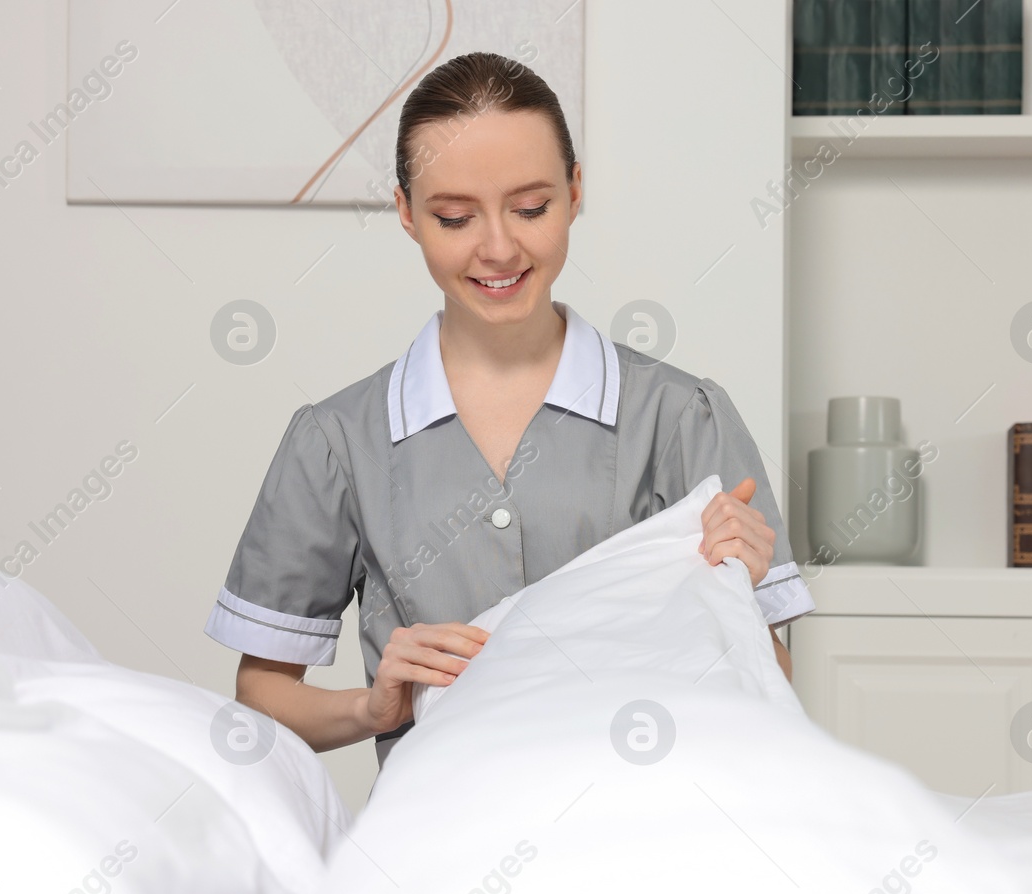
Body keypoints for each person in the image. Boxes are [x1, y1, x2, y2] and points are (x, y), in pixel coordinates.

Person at [204, 52, 815, 768]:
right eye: (455, 217)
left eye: (531, 209)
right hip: (434, 840)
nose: (498, 248)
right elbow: (262, 696)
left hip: (640, 827)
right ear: (406, 213)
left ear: (575, 190)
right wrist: (370, 708)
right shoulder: (337, 442)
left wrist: (739, 579)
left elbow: (772, 681)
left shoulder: (682, 417)